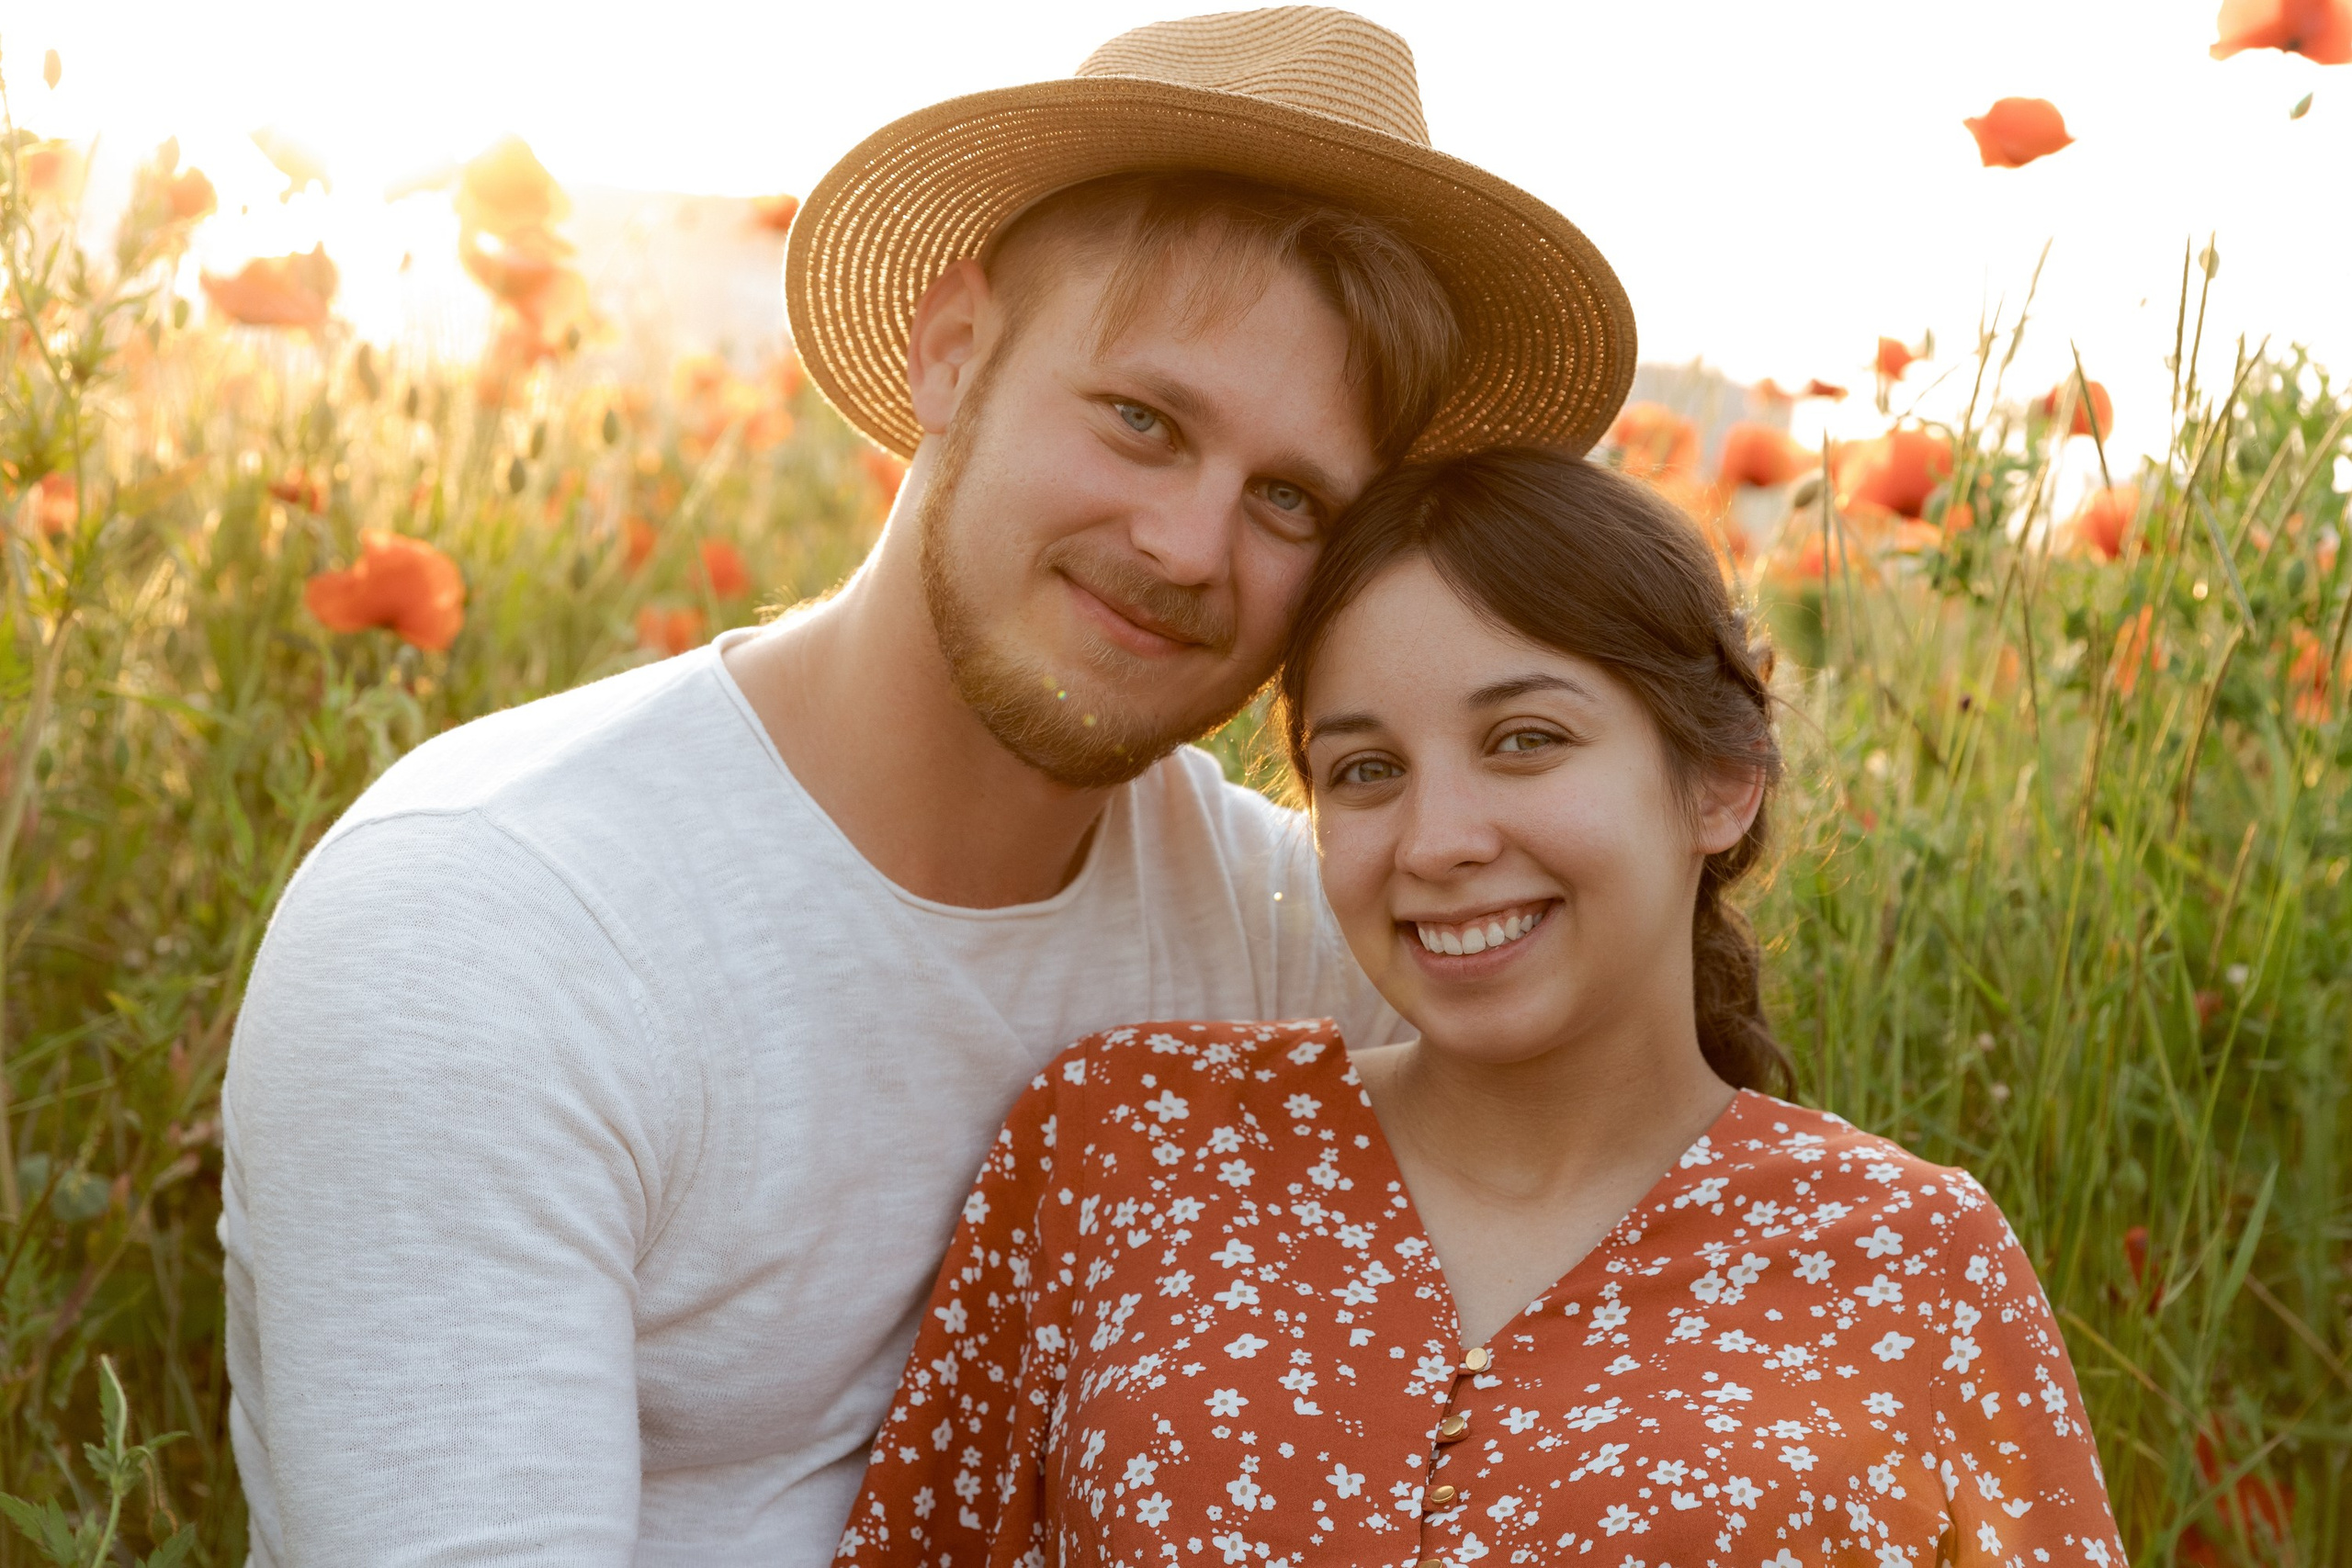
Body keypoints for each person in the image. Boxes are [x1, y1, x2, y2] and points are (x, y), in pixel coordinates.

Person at [217, 9, 1638, 1565]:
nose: (1187, 546)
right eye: (1144, 421)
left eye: (1290, 498)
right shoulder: (491, 927)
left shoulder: (1297, 937)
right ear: (953, 354)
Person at [836, 450, 2128, 1567]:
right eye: (1367, 770)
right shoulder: (1133, 1143)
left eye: (1525, 741)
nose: (1438, 840)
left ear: (1721, 781)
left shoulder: (1916, 1262)